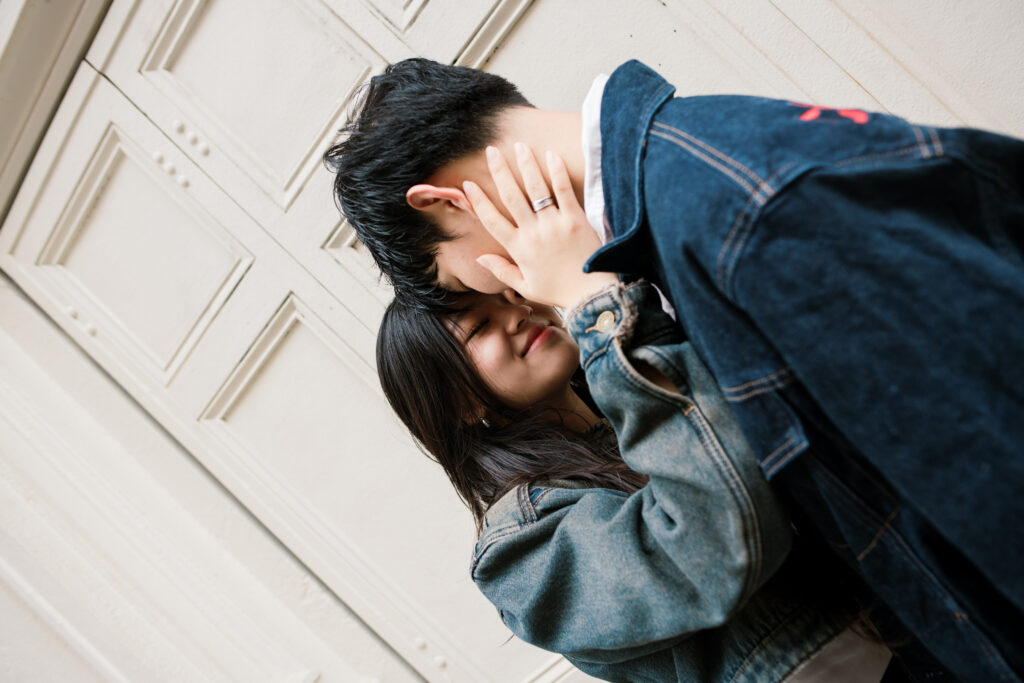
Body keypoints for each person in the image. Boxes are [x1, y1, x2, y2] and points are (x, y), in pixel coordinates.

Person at [325, 58, 1024, 680]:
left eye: (459, 286)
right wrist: (597, 309)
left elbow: (966, 423)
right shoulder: (527, 542)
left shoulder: (708, 210)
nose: (509, 296)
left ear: (443, 201)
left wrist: (597, 309)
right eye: (470, 313)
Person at [377, 255, 893, 682]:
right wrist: (601, 309)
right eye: (480, 326)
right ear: (458, 403)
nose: (519, 312)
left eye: (512, 293)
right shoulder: (520, 550)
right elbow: (713, 548)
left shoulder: (637, 399)